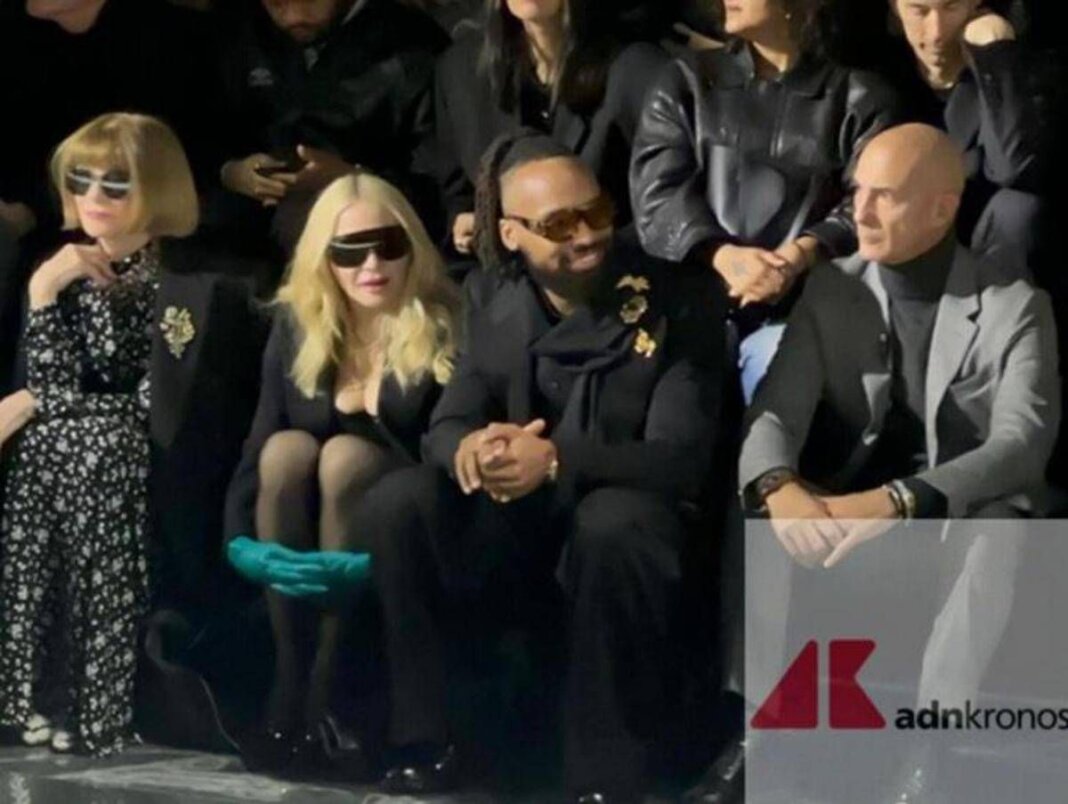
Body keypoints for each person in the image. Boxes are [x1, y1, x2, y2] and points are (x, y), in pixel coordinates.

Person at [356, 131, 725, 802]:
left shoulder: (677, 297)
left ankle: (606, 777)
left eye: (596, 212)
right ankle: (433, 743)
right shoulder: (491, 299)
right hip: (516, 521)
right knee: (399, 501)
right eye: (559, 225)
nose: (586, 235)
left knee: (613, 523)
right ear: (512, 233)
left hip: (627, 516)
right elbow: (447, 423)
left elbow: (680, 459)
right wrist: (475, 450)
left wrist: (554, 459)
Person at [702, 124, 1060, 804]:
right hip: (849, 491)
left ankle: (931, 748)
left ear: (941, 208)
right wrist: (780, 487)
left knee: (1001, 528)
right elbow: (774, 414)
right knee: (758, 505)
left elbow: (1022, 443)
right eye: (857, 191)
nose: (859, 212)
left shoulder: (1014, 305)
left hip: (953, 505)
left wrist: (899, 501)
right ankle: (757, 733)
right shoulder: (832, 288)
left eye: (884, 196)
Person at [222, 172, 458, 777]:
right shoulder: (300, 323)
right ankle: (290, 690)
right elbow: (261, 435)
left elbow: (444, 444)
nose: (370, 265)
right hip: (309, 513)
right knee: (287, 452)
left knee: (344, 458)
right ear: (323, 259)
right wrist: (238, 537)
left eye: (387, 246)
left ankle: (330, 697)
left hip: (408, 515)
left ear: (412, 246)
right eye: (349, 252)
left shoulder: (446, 318)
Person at [0, 113, 199, 756]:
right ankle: (32, 694)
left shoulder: (184, 280)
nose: (93, 196)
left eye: (115, 183)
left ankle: (95, 701)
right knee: (50, 446)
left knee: (89, 448)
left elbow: (152, 403)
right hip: (76, 448)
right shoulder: (59, 269)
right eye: (80, 181)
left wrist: (36, 403)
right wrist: (41, 293)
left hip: (153, 450)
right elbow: (49, 385)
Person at [630, 0, 899, 402]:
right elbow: (657, 193)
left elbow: (871, 199)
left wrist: (800, 255)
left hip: (803, 310)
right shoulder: (686, 82)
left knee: (780, 384)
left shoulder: (858, 97)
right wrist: (723, 256)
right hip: (692, 303)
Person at [433, 0, 668, 260]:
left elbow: (669, 203)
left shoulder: (638, 69)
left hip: (618, 266)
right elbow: (456, 188)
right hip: (508, 274)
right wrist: (468, 218)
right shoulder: (461, 70)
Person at [214, 0, 448, 261]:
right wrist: (231, 172)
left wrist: (354, 177)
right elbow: (205, 136)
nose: (293, 16)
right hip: (250, 239)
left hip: (373, 244)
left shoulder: (412, 44)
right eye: (277, 3)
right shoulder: (242, 32)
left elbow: (443, 189)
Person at [886, 0, 1047, 276]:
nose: (936, 33)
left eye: (951, 8)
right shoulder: (880, 78)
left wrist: (994, 56)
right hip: (895, 248)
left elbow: (1012, 167)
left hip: (976, 254)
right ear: (895, 8)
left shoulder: (1013, 71)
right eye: (919, 11)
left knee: (1017, 206)